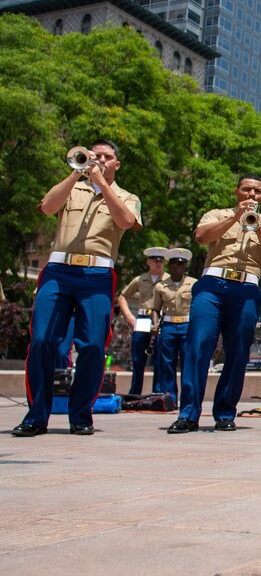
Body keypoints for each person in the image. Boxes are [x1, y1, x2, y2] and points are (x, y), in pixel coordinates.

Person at [14, 139, 141, 437]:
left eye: (106, 157)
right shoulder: (73, 186)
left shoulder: (126, 196)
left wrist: (102, 184)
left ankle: (81, 415)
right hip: (58, 270)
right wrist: (76, 173)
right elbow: (47, 207)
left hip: (97, 273)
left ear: (116, 164)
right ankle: (37, 415)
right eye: (94, 155)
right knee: (42, 340)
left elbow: (125, 221)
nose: (99, 160)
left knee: (94, 346)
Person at [167, 174, 261, 434]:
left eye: (257, 191)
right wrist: (235, 218)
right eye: (246, 190)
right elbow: (200, 237)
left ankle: (224, 412)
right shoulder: (216, 214)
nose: (251, 195)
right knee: (198, 346)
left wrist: (259, 228)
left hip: (246, 289)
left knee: (238, 352)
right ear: (237, 192)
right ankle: (188, 413)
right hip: (212, 286)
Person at [117, 247, 167, 395]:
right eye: (155, 260)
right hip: (143, 317)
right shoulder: (140, 279)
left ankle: (158, 393)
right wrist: (129, 316)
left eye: (161, 261)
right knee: (138, 358)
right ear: (148, 262)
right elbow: (122, 297)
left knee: (159, 357)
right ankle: (135, 393)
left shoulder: (168, 279)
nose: (158, 263)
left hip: (160, 318)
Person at [149, 248, 196, 402]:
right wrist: (155, 326)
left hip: (187, 326)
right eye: (175, 264)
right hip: (168, 326)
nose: (178, 267)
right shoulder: (160, 286)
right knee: (167, 364)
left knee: (188, 364)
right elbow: (155, 308)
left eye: (181, 264)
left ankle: (187, 398)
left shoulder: (193, 284)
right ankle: (171, 398)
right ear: (170, 266)